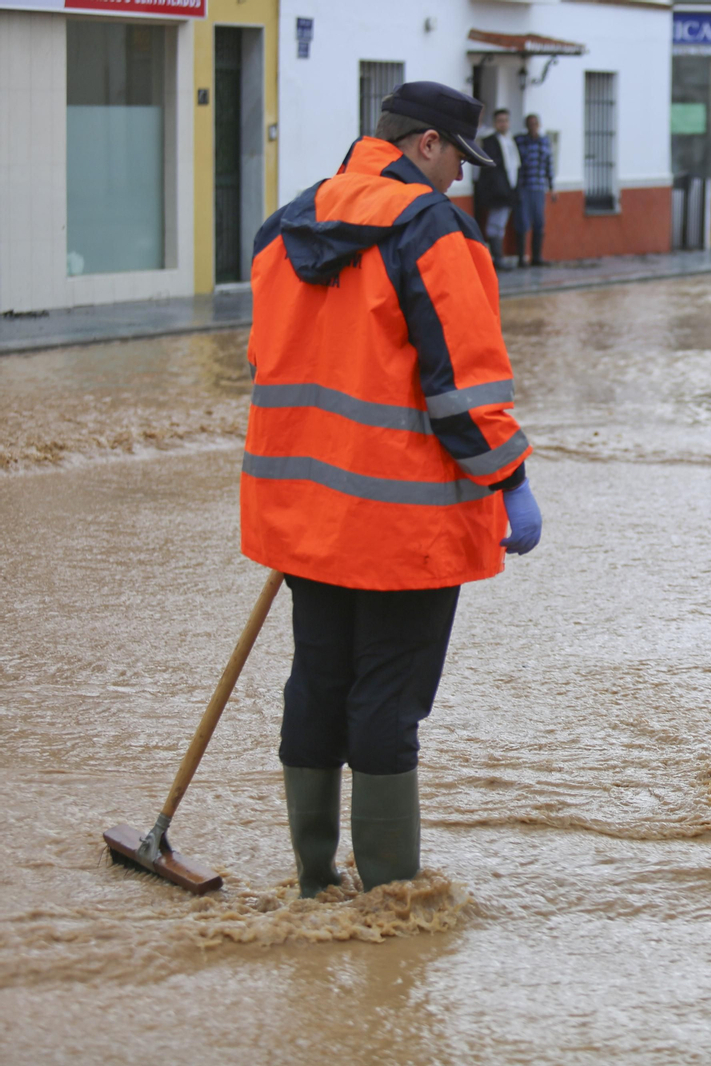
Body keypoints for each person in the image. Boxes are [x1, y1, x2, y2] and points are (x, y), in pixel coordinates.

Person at [242, 81, 543, 897]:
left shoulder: (289, 225)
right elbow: (463, 386)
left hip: (306, 510)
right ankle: (388, 899)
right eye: (455, 159)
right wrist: (510, 479)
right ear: (425, 146)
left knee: (319, 679)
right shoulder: (431, 230)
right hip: (404, 520)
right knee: (387, 695)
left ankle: (313, 877)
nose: (457, 179)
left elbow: (268, 362)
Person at [473, 108, 519, 265]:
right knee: (495, 224)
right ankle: (497, 258)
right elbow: (491, 168)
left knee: (501, 224)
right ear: (495, 123)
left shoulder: (511, 141)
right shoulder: (490, 141)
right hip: (498, 191)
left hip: (510, 189)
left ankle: (499, 258)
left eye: (505, 120)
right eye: (500, 121)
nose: (503, 124)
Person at [515, 113, 557, 267]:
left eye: (535, 124)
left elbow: (549, 165)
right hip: (524, 187)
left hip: (539, 187)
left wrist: (552, 187)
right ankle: (521, 257)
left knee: (539, 222)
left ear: (539, 125)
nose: (532, 126)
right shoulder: (520, 141)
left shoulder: (545, 142)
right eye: (529, 124)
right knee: (522, 222)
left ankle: (537, 257)